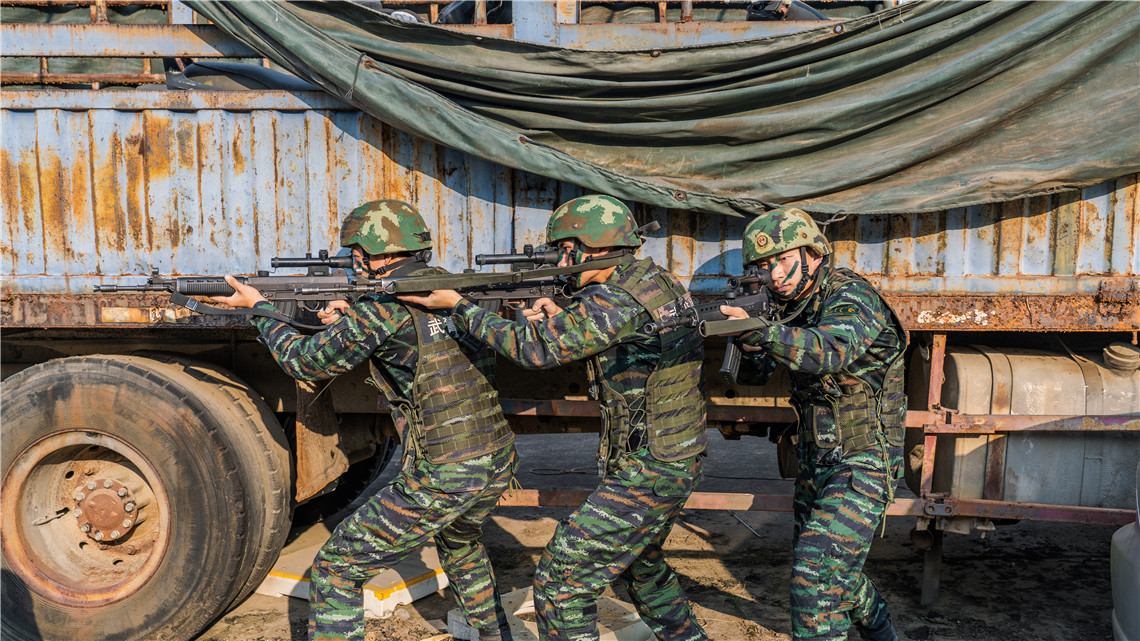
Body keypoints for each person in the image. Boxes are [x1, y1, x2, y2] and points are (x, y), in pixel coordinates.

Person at [401, 194, 709, 641]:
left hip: (652, 467)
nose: (562, 260)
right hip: (669, 456)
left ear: (597, 247)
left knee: (561, 585)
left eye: (567, 250)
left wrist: (459, 308)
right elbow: (615, 336)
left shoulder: (618, 297)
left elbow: (536, 350)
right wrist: (564, 317)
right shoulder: (650, 281)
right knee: (641, 569)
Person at [211, 199, 518, 641]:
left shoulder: (383, 307)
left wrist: (258, 309)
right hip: (495, 457)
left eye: (355, 254)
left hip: (448, 469)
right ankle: (492, 634)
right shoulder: (452, 287)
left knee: (338, 568)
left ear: (369, 253)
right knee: (461, 542)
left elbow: (306, 363)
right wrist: (348, 320)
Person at [719, 207, 906, 641]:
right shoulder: (787, 306)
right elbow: (756, 375)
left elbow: (831, 350)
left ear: (814, 255)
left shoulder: (850, 295)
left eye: (781, 261)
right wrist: (747, 345)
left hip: (862, 462)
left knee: (815, 582)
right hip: (816, 461)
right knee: (838, 575)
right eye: (763, 266)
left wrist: (763, 332)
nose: (772, 275)